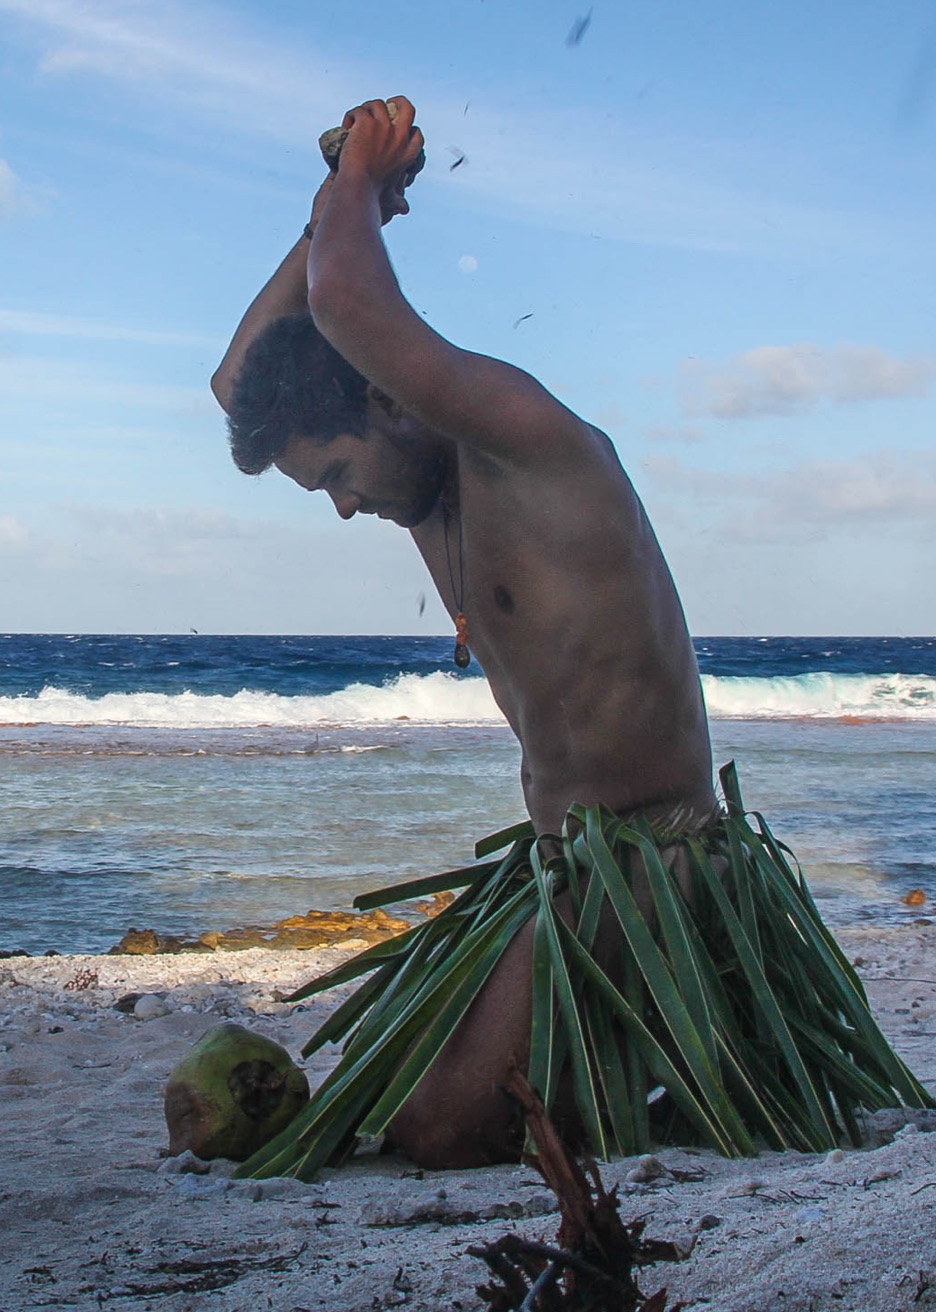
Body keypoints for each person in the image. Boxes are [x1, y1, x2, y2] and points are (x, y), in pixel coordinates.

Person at [211, 96, 719, 1168]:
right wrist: (335, 215)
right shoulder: (425, 497)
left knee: (437, 1131)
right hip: (560, 864)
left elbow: (346, 303)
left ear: (392, 402)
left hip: (652, 867)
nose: (345, 506)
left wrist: (360, 172)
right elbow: (237, 377)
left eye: (338, 474)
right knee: (385, 1104)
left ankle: (671, 1070)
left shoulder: (519, 439)